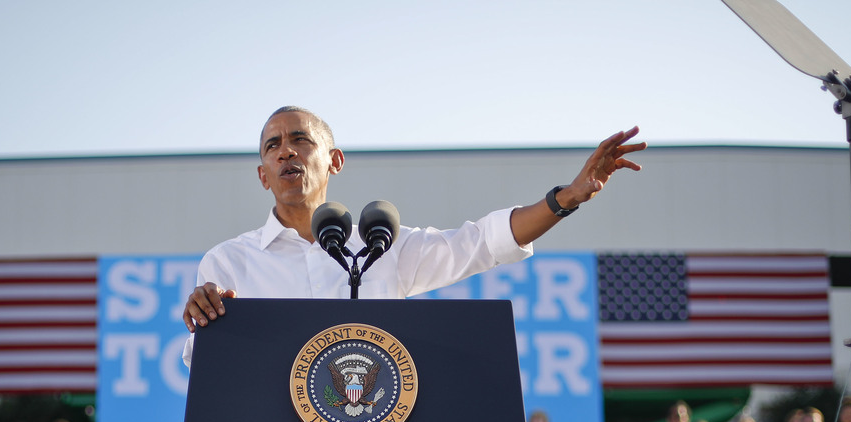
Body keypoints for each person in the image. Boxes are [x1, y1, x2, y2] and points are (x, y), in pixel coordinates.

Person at [181, 106, 644, 361]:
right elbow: (208, 366)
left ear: (334, 161)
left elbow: (480, 244)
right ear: (263, 175)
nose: (286, 153)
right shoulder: (228, 264)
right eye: (273, 146)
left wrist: (564, 199)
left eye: (300, 140)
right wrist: (207, 322)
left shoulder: (381, 244)